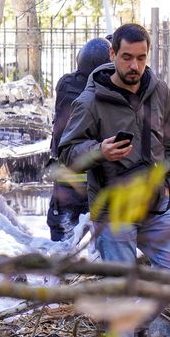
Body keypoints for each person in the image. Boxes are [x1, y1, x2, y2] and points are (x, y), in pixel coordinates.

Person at [57, 22, 170, 337]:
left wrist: (168, 182)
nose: (134, 66)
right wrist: (98, 150)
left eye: (141, 58)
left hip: (155, 208)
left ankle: (139, 327)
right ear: (112, 54)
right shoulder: (90, 100)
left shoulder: (158, 90)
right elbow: (67, 152)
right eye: (127, 57)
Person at [48, 38, 112, 241]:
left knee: (64, 246)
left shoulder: (66, 85)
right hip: (95, 183)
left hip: (66, 185)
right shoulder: (106, 90)